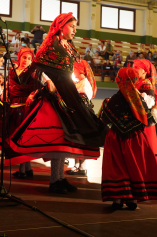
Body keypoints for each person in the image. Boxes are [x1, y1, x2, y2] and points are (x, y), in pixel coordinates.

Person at [8, 13, 104, 194]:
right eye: (72, 26)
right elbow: (38, 68)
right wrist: (47, 81)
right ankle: (55, 180)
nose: (75, 30)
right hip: (52, 100)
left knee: (63, 140)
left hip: (65, 97)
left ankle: (60, 178)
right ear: (61, 26)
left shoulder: (67, 46)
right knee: (57, 140)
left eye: (76, 27)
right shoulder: (49, 45)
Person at [100, 68, 157, 210]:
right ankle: (132, 199)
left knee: (117, 168)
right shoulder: (137, 100)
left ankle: (117, 199)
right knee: (134, 167)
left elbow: (104, 118)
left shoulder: (112, 100)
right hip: (134, 139)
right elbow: (149, 120)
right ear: (134, 80)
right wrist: (155, 111)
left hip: (115, 139)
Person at [6, 48, 39, 179]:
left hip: (24, 107)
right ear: (19, 57)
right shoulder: (12, 72)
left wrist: (15, 90)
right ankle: (27, 168)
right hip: (12, 107)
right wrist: (14, 90)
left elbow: (31, 88)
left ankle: (22, 170)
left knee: (22, 138)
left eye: (29, 59)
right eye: (24, 57)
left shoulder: (32, 74)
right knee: (14, 137)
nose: (26, 61)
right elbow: (10, 88)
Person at [134, 59, 157, 171]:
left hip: (145, 119)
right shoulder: (135, 82)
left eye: (136, 68)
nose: (134, 70)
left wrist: (137, 94)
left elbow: (151, 101)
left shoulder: (145, 83)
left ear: (144, 72)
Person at [67, 60, 97, 176]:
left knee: (80, 141)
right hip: (79, 115)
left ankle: (80, 167)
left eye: (74, 69)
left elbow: (80, 101)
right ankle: (78, 166)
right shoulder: (80, 82)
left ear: (79, 70)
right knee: (78, 142)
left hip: (81, 115)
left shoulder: (84, 84)